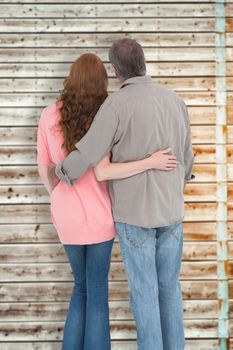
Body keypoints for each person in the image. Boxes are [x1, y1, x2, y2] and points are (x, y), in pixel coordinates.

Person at [37, 52, 179, 350]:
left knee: (80, 287)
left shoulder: (49, 113)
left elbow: (44, 167)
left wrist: (60, 197)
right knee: (97, 288)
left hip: (67, 214)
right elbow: (110, 166)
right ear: (104, 79)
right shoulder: (107, 110)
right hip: (101, 215)